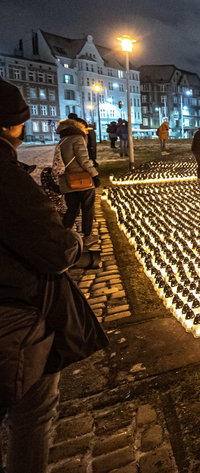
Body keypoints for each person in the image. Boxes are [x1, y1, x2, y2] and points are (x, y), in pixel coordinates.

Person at [1, 77, 108, 473]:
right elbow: (52, 248)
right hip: (16, 315)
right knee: (31, 413)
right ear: (11, 126)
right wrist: (76, 248)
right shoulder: (6, 178)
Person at [56, 118, 100, 248]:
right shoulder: (77, 139)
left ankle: (63, 236)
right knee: (87, 208)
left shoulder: (62, 140)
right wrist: (94, 174)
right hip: (81, 180)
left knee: (72, 209)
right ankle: (87, 236)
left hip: (68, 180)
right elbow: (83, 160)